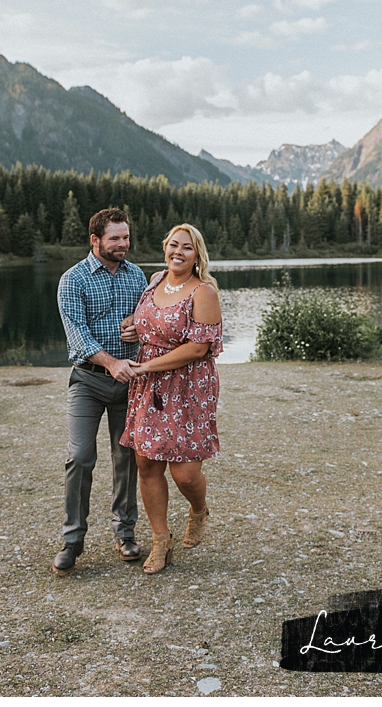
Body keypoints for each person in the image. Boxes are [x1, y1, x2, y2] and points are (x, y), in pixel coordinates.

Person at [120, 224, 224, 574]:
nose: (178, 252)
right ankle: (160, 542)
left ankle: (199, 509)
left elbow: (197, 348)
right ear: (165, 247)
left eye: (187, 248)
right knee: (147, 464)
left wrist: (146, 365)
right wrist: (134, 325)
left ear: (198, 256)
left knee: (185, 473)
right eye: (173, 245)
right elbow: (148, 322)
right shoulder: (155, 280)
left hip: (188, 387)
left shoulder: (204, 292)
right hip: (149, 387)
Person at [52, 207, 148, 574]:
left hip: (130, 383)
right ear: (95, 240)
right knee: (80, 457)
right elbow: (77, 335)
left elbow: (147, 321)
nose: (123, 244)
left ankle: (125, 533)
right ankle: (72, 541)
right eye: (115, 238)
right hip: (88, 381)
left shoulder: (136, 275)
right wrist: (111, 363)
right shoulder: (72, 280)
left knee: (127, 458)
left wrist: (139, 329)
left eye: (126, 237)